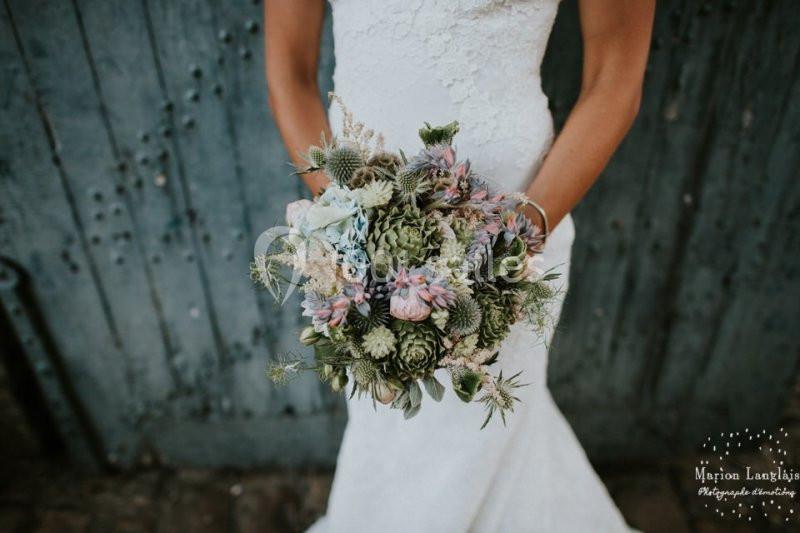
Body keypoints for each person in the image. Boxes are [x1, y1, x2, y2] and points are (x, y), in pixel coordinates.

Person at [265, 1, 654, 531]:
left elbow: (614, 80)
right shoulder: (353, 233)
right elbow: (288, 69)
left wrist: (514, 242)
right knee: (392, 431)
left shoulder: (515, 242)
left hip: (517, 227)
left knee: (489, 433)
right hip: (359, 242)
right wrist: (348, 221)